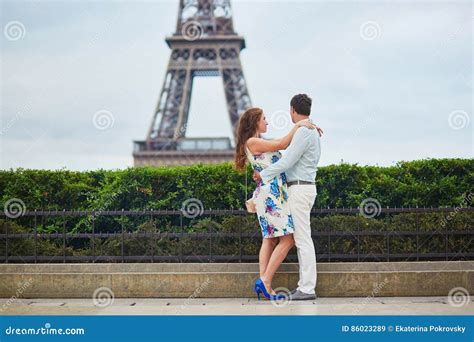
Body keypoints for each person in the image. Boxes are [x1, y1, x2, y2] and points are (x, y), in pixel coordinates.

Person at [234, 106, 322, 300]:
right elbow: (283, 144)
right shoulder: (253, 141)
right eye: (264, 118)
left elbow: (282, 149)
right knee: (288, 239)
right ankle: (264, 281)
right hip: (272, 194)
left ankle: (265, 284)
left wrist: (306, 131)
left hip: (271, 193)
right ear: (255, 121)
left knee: (270, 239)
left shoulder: (256, 142)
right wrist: (301, 125)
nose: (267, 122)